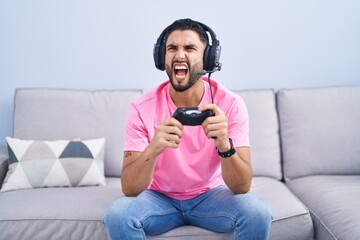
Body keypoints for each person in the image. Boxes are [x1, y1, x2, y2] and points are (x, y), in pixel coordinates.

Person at [103, 18, 272, 240]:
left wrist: (224, 144)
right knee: (117, 215)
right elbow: (130, 189)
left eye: (190, 48)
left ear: (208, 59)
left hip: (210, 196)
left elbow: (241, 186)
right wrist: (153, 149)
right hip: (158, 198)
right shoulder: (141, 108)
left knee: (257, 212)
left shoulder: (231, 104)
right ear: (161, 57)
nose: (179, 55)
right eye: (172, 48)